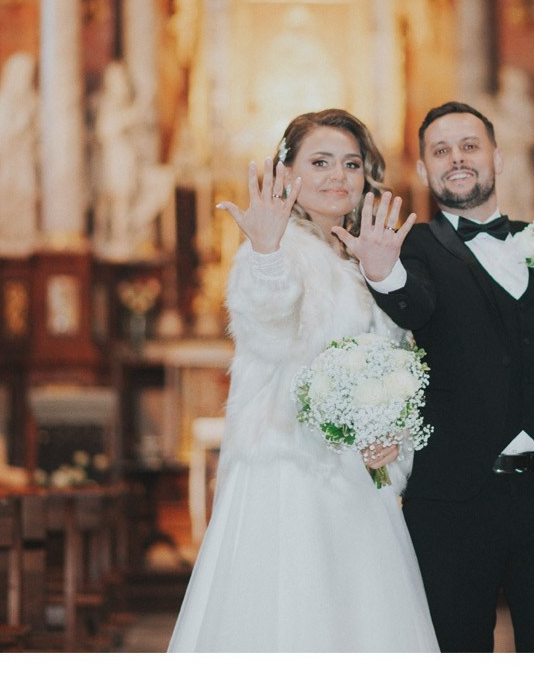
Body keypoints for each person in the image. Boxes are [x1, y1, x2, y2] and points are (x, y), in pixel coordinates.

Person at [357, 100, 534, 652]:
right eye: (440, 151)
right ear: (423, 170)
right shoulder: (412, 248)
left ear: (498, 157)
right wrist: (382, 273)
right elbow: (412, 305)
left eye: (469, 146)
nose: (456, 159)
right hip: (452, 503)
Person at [169, 110, 437, 653]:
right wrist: (266, 252)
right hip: (288, 471)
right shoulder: (274, 248)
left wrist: (392, 437)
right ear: (287, 173)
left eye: (351, 164)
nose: (338, 175)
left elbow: (392, 364)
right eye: (320, 162)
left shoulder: (370, 255)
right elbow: (266, 322)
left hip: (360, 480)